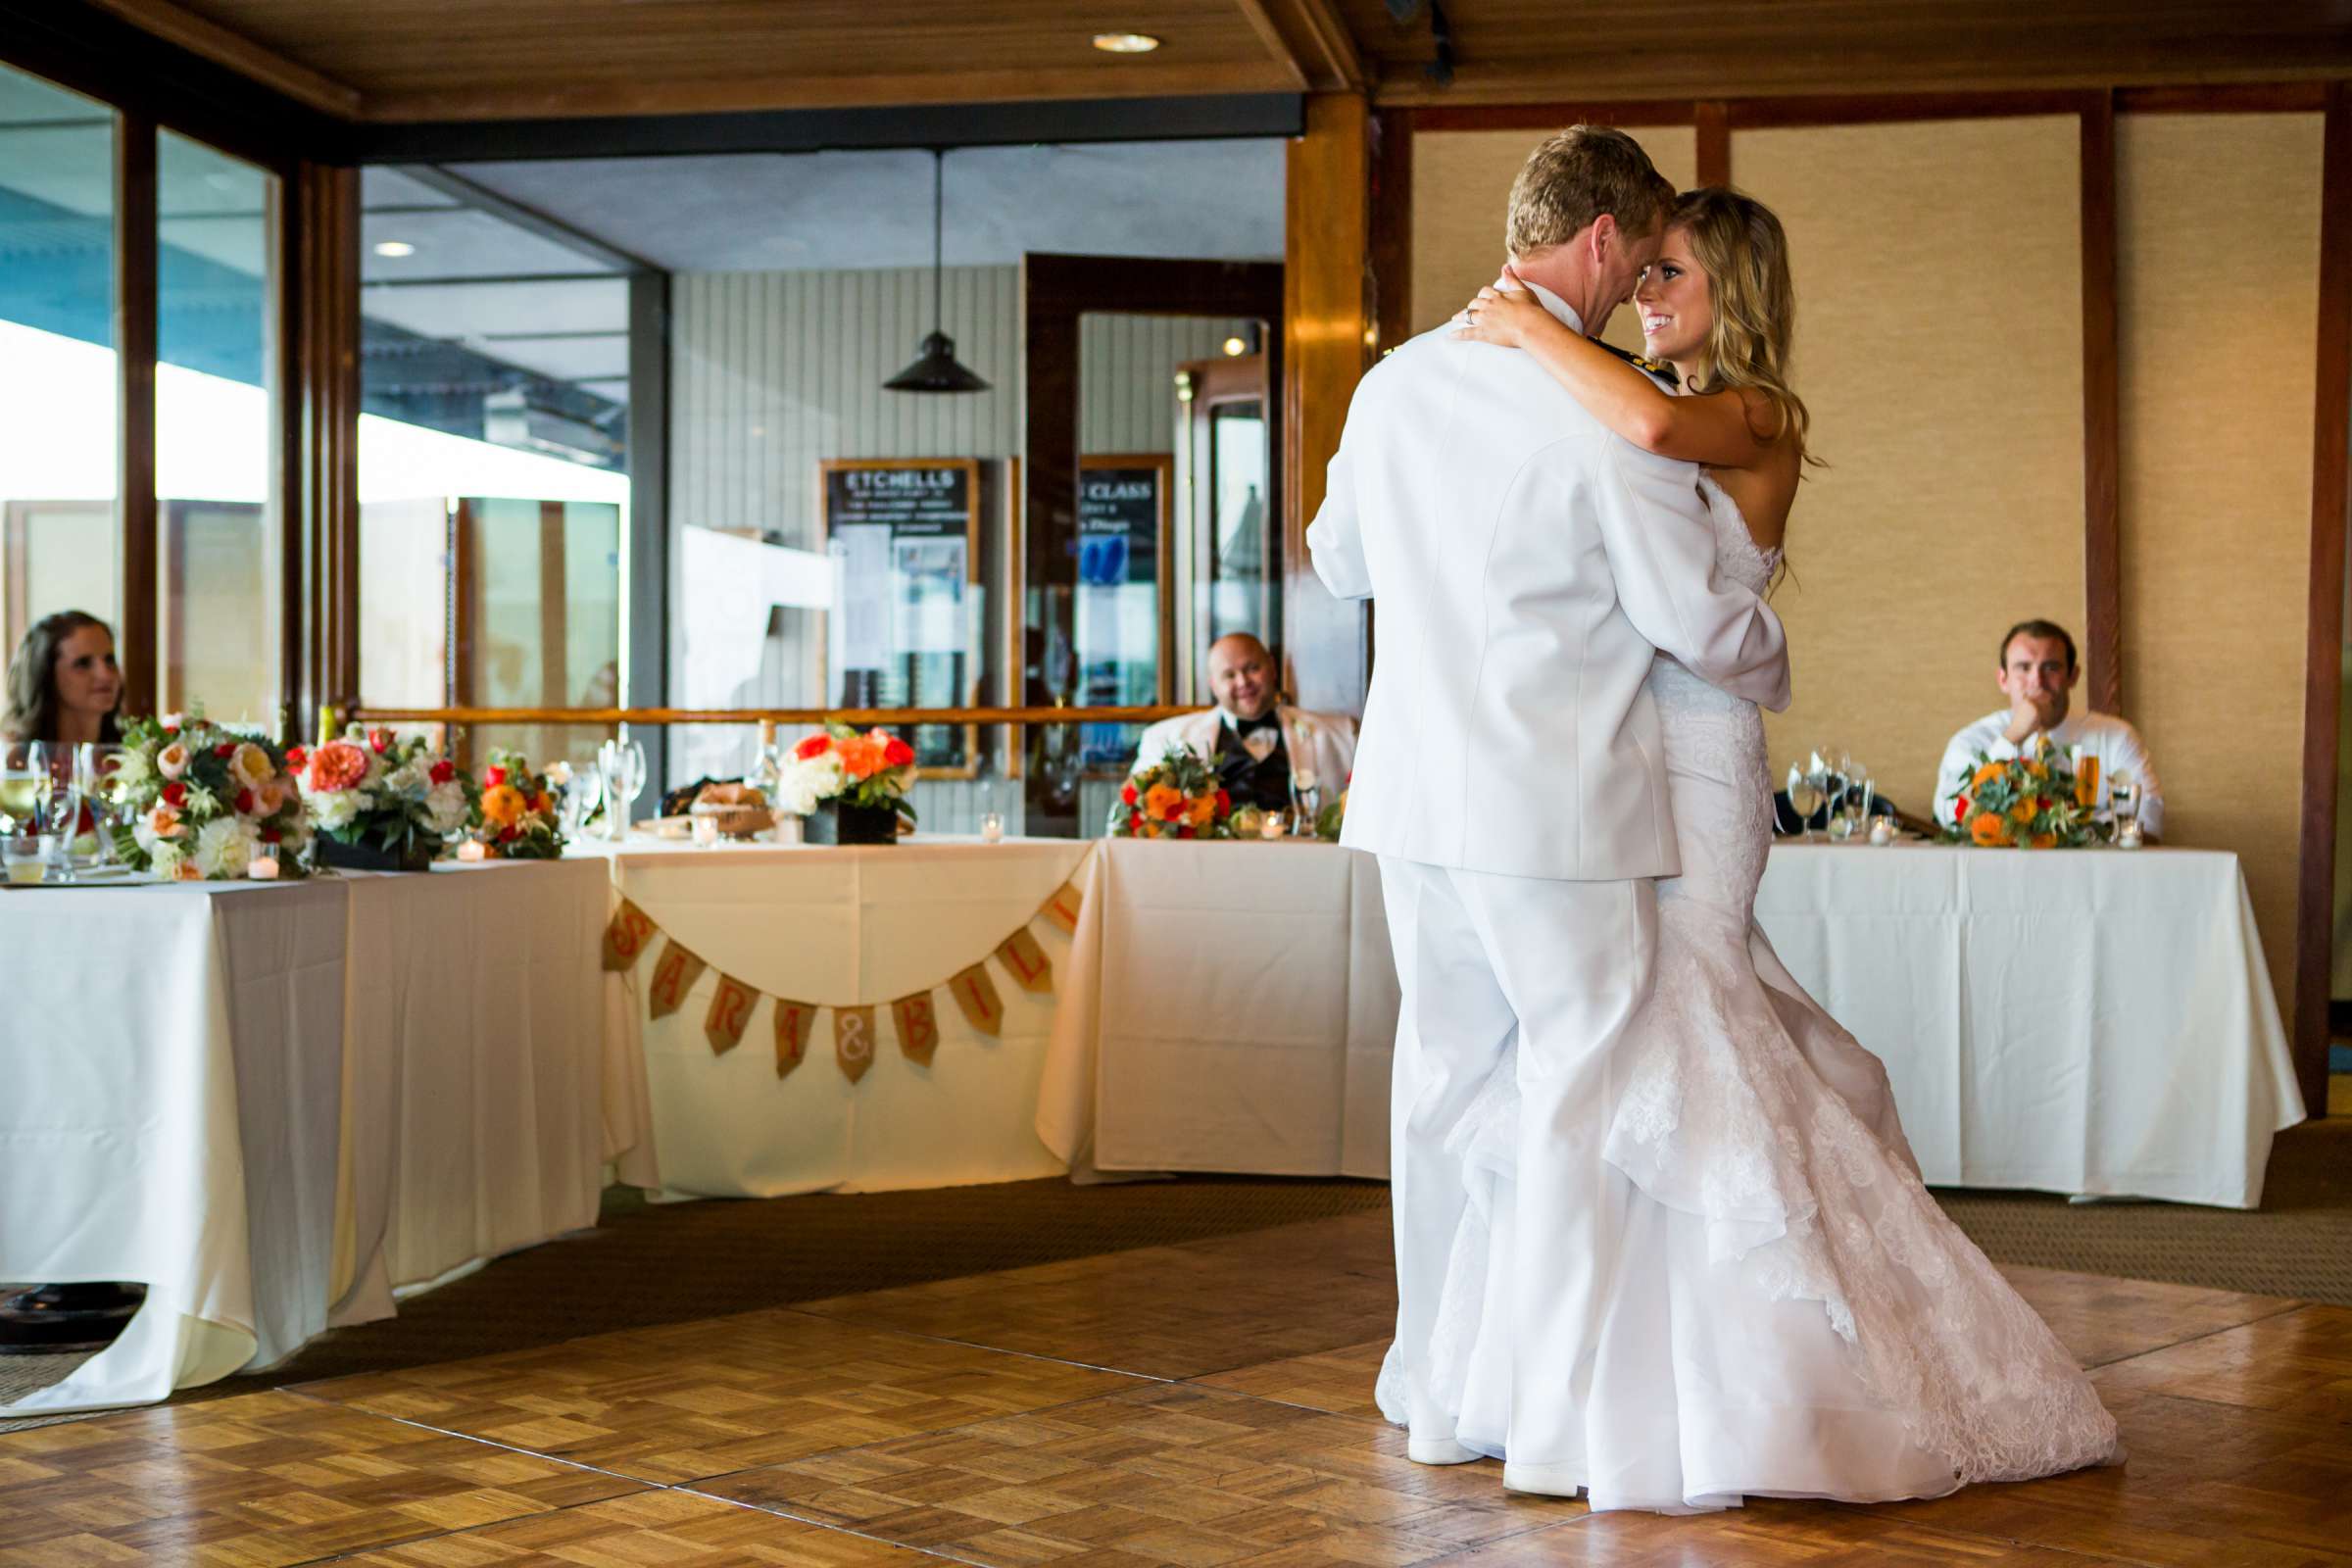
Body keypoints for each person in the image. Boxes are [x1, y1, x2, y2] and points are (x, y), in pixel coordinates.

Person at [1330, 145, 2120, 1512]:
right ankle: (1568, 1420)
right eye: (1641, 258)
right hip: (1553, 800)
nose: (1645, 281)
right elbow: (1694, 622)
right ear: (1600, 244)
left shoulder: (1396, 380)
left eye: (1672, 269)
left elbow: (1338, 556)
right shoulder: (1600, 413)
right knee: (1582, 1094)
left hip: (1412, 796)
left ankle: (1440, 1389)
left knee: (1448, 1085)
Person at [0, 610, 141, 1355]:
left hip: (123, 952)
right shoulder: (17, 768)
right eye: (84, 662)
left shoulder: (135, 764)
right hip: (40, 958)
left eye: (109, 659)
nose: (104, 675)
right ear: (46, 673)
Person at [1933, 619, 2163, 840]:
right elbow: (1952, 818)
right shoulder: (1971, 741)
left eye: (2051, 667)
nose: (2037, 681)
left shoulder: (2116, 737)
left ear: (2073, 676)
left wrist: (2065, 836)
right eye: (2023, 667)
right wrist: (2012, 736)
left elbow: (2149, 824)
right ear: (2003, 680)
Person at [1128, 633, 1355, 813]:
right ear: (1213, 685)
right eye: (1229, 675)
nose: (1243, 682)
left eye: (1253, 669)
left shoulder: (1338, 734)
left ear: (1273, 669)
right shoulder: (1167, 739)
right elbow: (1131, 814)